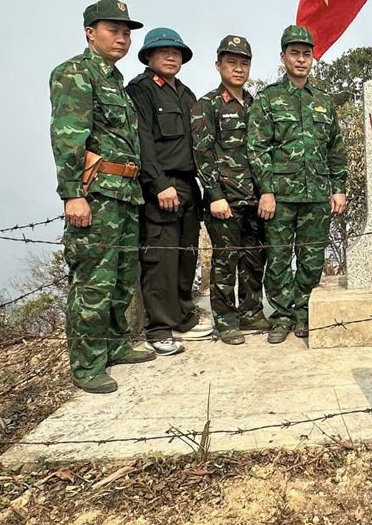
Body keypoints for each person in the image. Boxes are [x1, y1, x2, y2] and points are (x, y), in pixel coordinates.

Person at [49, 0, 154, 393]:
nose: (123, 38)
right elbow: (67, 137)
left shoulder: (115, 82)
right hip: (96, 194)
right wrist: (72, 194)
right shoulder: (75, 74)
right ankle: (87, 364)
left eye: (127, 32)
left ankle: (113, 346)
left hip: (124, 194)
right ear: (90, 33)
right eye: (114, 30)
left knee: (122, 278)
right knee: (94, 280)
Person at [248, 25, 347, 343]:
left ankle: (304, 313)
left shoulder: (323, 101)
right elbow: (257, 147)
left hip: (317, 195)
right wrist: (266, 190)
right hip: (280, 196)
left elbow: (335, 148)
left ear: (312, 58)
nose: (301, 59)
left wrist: (339, 187)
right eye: (295, 53)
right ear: (283, 57)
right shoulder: (268, 99)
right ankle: (281, 316)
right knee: (277, 258)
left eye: (306, 53)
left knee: (311, 259)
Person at [127, 28, 212, 356]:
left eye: (177, 52)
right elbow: (143, 140)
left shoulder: (186, 94)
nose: (171, 56)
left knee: (186, 253)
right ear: (149, 55)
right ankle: (159, 327)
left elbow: (199, 145)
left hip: (189, 184)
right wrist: (158, 184)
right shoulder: (142, 90)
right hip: (161, 185)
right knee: (161, 257)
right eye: (163, 51)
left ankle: (182, 316)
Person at [190, 35, 269, 345]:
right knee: (225, 261)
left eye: (244, 62)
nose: (238, 68)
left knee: (254, 258)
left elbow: (264, 151)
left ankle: (251, 311)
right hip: (226, 198)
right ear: (218, 65)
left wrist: (266, 191)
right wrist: (214, 195)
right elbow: (202, 154)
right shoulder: (206, 105)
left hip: (255, 197)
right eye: (232, 62)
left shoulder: (256, 104)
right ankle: (226, 320)